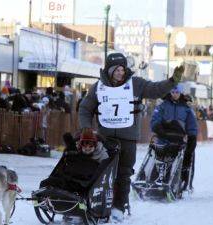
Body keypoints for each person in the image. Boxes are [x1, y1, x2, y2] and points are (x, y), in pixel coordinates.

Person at [78, 52, 184, 222]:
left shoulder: (136, 84)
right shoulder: (98, 87)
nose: (121, 72)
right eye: (116, 69)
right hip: (105, 138)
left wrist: (172, 81)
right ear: (109, 70)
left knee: (123, 174)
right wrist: (86, 128)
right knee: (99, 172)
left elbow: (155, 89)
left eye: (122, 69)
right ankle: (96, 203)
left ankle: (119, 207)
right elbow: (85, 108)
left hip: (127, 139)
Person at [150, 84, 198, 191]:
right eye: (172, 92)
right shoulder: (162, 106)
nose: (175, 94)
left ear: (180, 93)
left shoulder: (186, 108)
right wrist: (157, 128)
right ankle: (153, 181)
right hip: (164, 137)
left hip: (179, 139)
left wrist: (192, 137)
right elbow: (155, 119)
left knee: (184, 158)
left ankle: (181, 182)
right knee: (160, 158)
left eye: (177, 92)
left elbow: (192, 125)